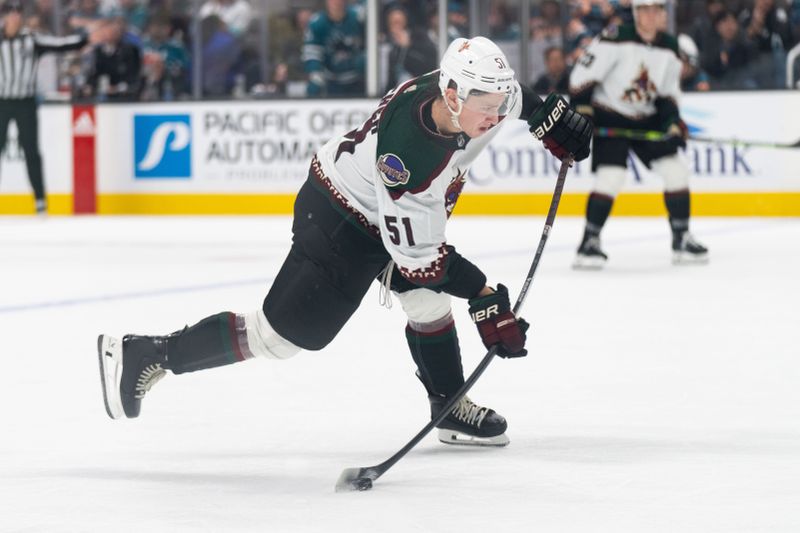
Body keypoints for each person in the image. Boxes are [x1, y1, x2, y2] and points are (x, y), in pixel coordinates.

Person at [97, 36, 592, 447]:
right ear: (456, 96)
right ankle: (149, 353)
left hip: (382, 218)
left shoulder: (462, 96)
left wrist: (547, 113)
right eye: (489, 106)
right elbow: (419, 259)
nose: (498, 114)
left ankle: (448, 405)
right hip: (340, 221)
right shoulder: (410, 159)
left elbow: (514, 97)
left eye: (501, 103)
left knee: (427, 303)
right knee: (278, 339)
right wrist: (484, 295)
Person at [569, 0, 709, 268]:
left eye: (656, 9)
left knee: (676, 170)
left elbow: (667, 94)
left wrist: (672, 121)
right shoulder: (616, 38)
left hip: (646, 119)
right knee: (611, 176)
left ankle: (681, 238)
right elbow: (580, 78)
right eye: (644, 9)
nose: (650, 14)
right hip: (610, 115)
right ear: (636, 13)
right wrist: (584, 113)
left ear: (662, 14)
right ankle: (589, 242)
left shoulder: (669, 46)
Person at [0, 0, 100, 214]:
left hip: (25, 102)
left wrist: (86, 38)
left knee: (31, 151)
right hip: (1, 102)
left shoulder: (32, 40)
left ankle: (40, 200)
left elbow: (62, 44)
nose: (15, 17)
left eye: (19, 12)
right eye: (11, 12)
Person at [302, 0, 365, 97]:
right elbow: (312, 52)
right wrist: (315, 72)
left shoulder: (358, 17)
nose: (336, 2)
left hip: (358, 81)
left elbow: (371, 41)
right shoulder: (317, 23)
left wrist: (365, 61)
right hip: (331, 83)